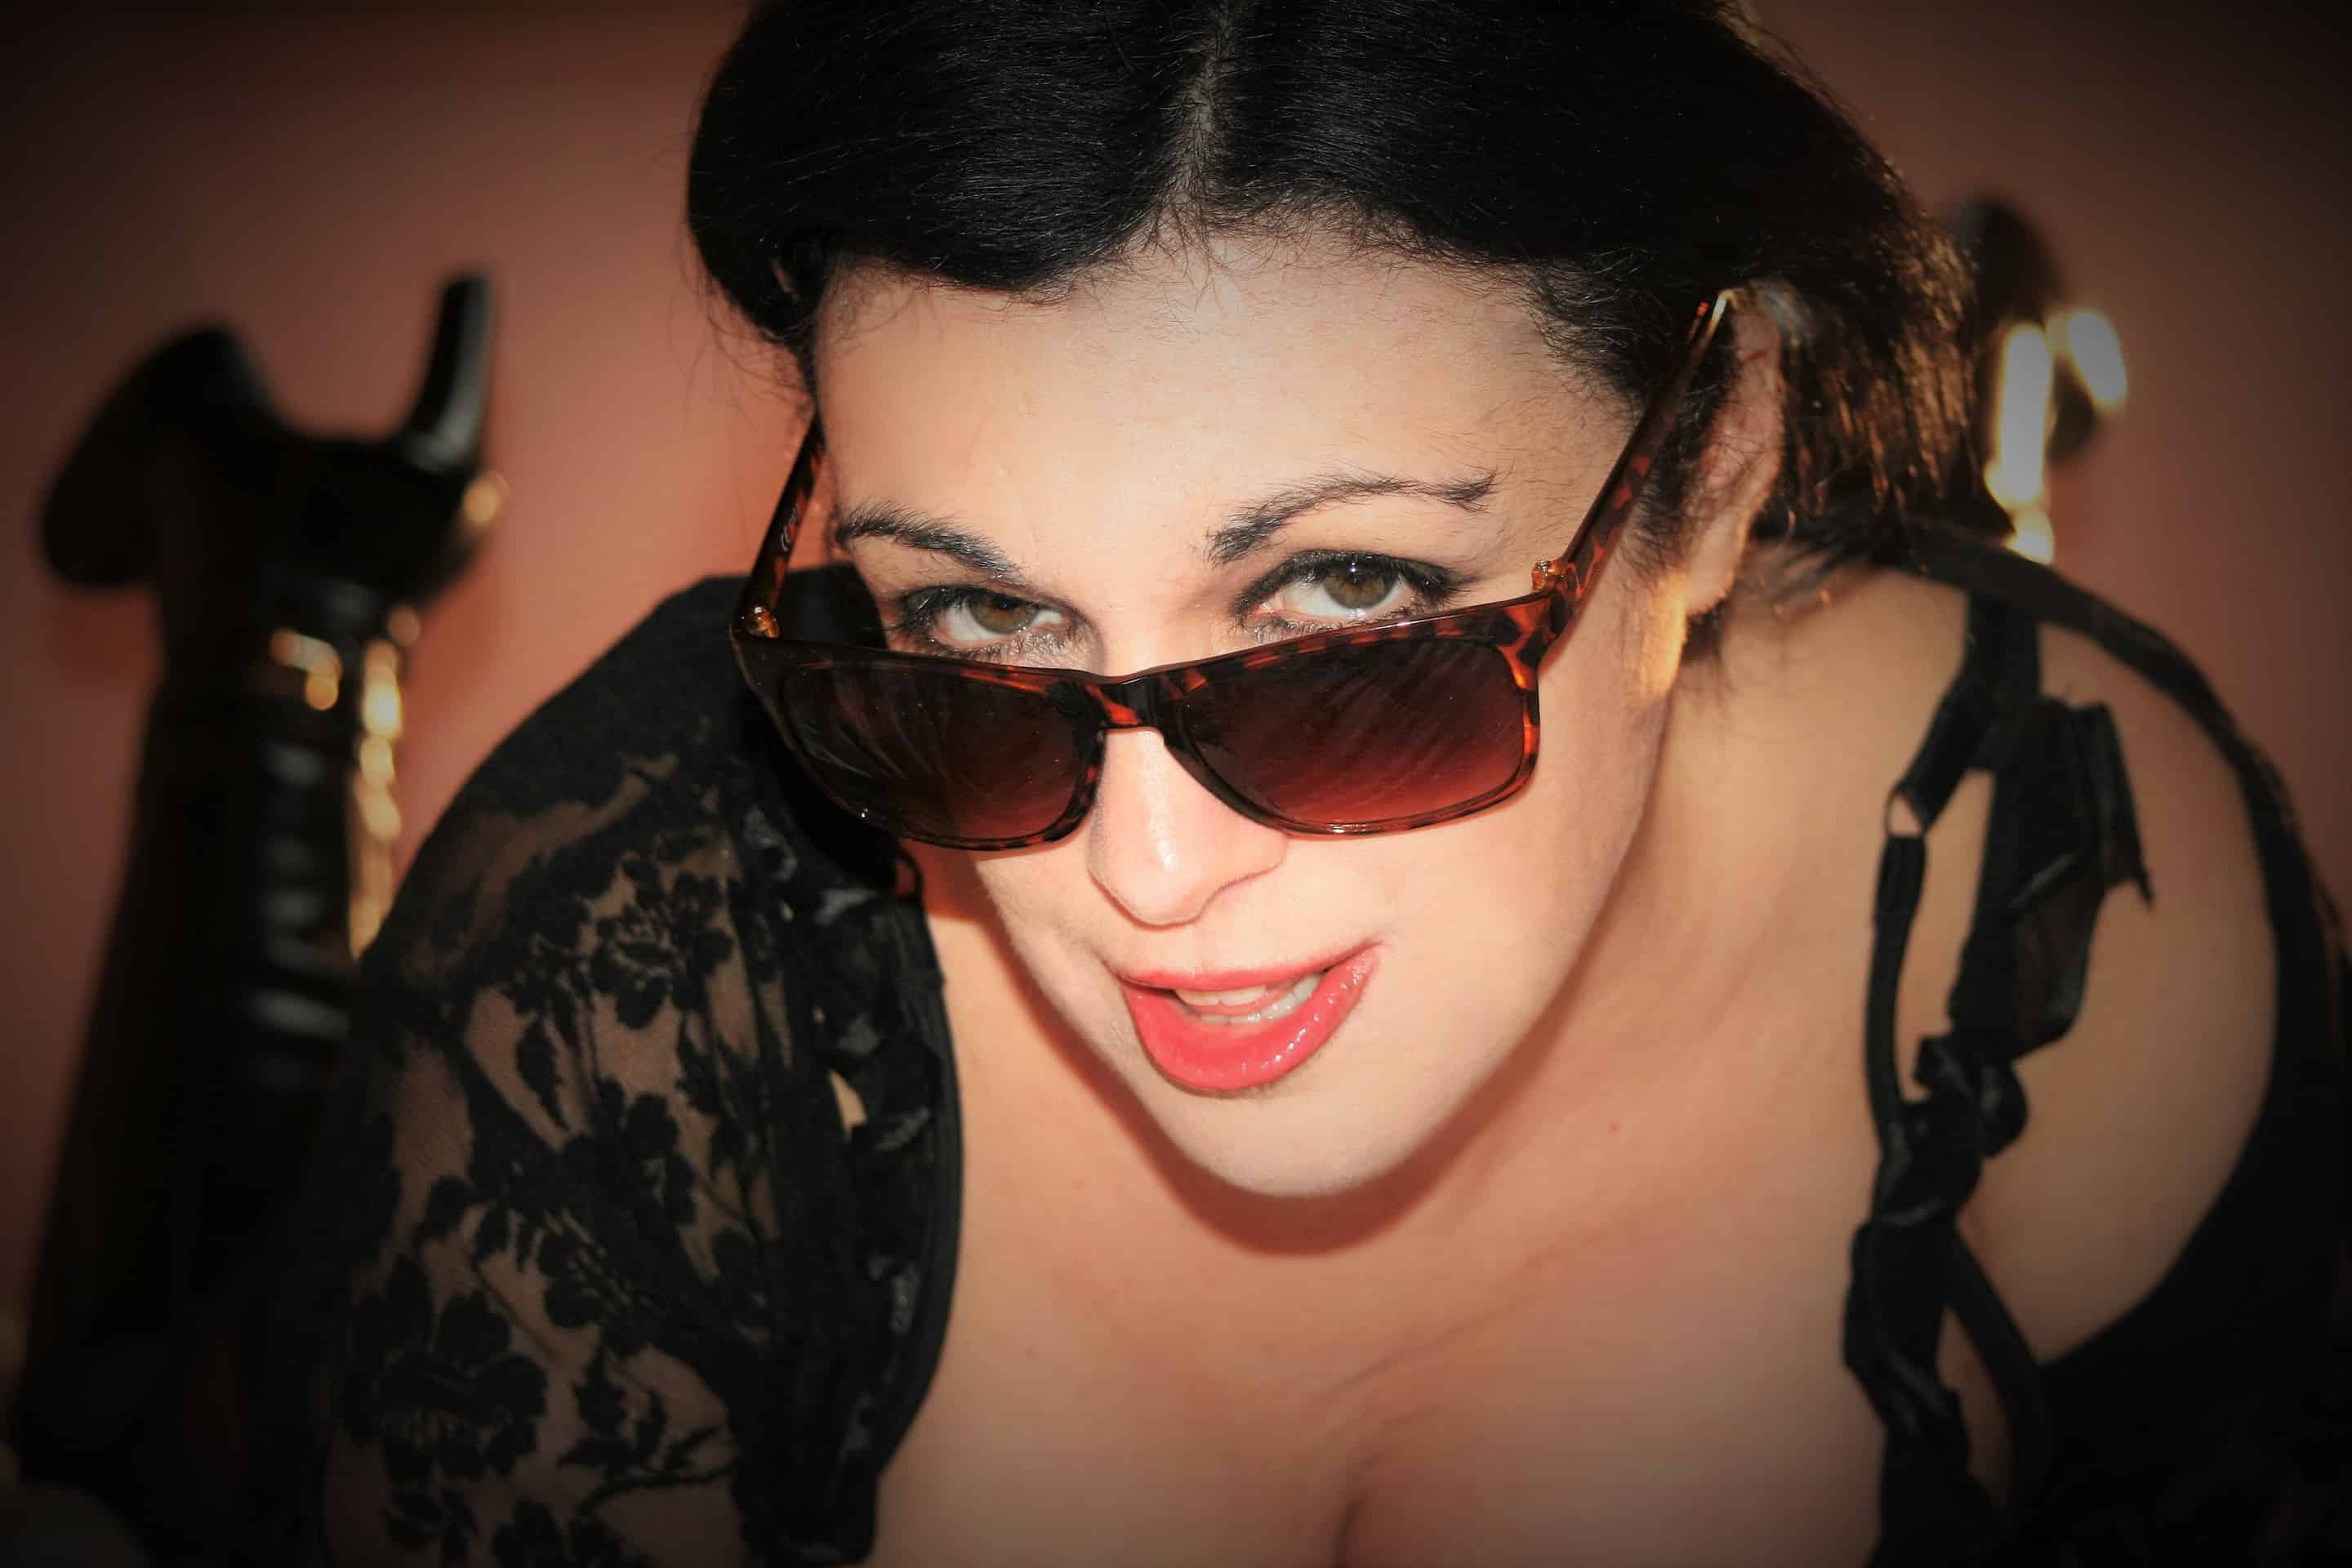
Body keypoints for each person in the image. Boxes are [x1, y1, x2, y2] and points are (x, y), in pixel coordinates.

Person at [242, 2, 2350, 1563]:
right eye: (978, 628)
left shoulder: (2067, 903)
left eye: (1351, 611)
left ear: (1715, 464)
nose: (1147, 874)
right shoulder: (630, 926)